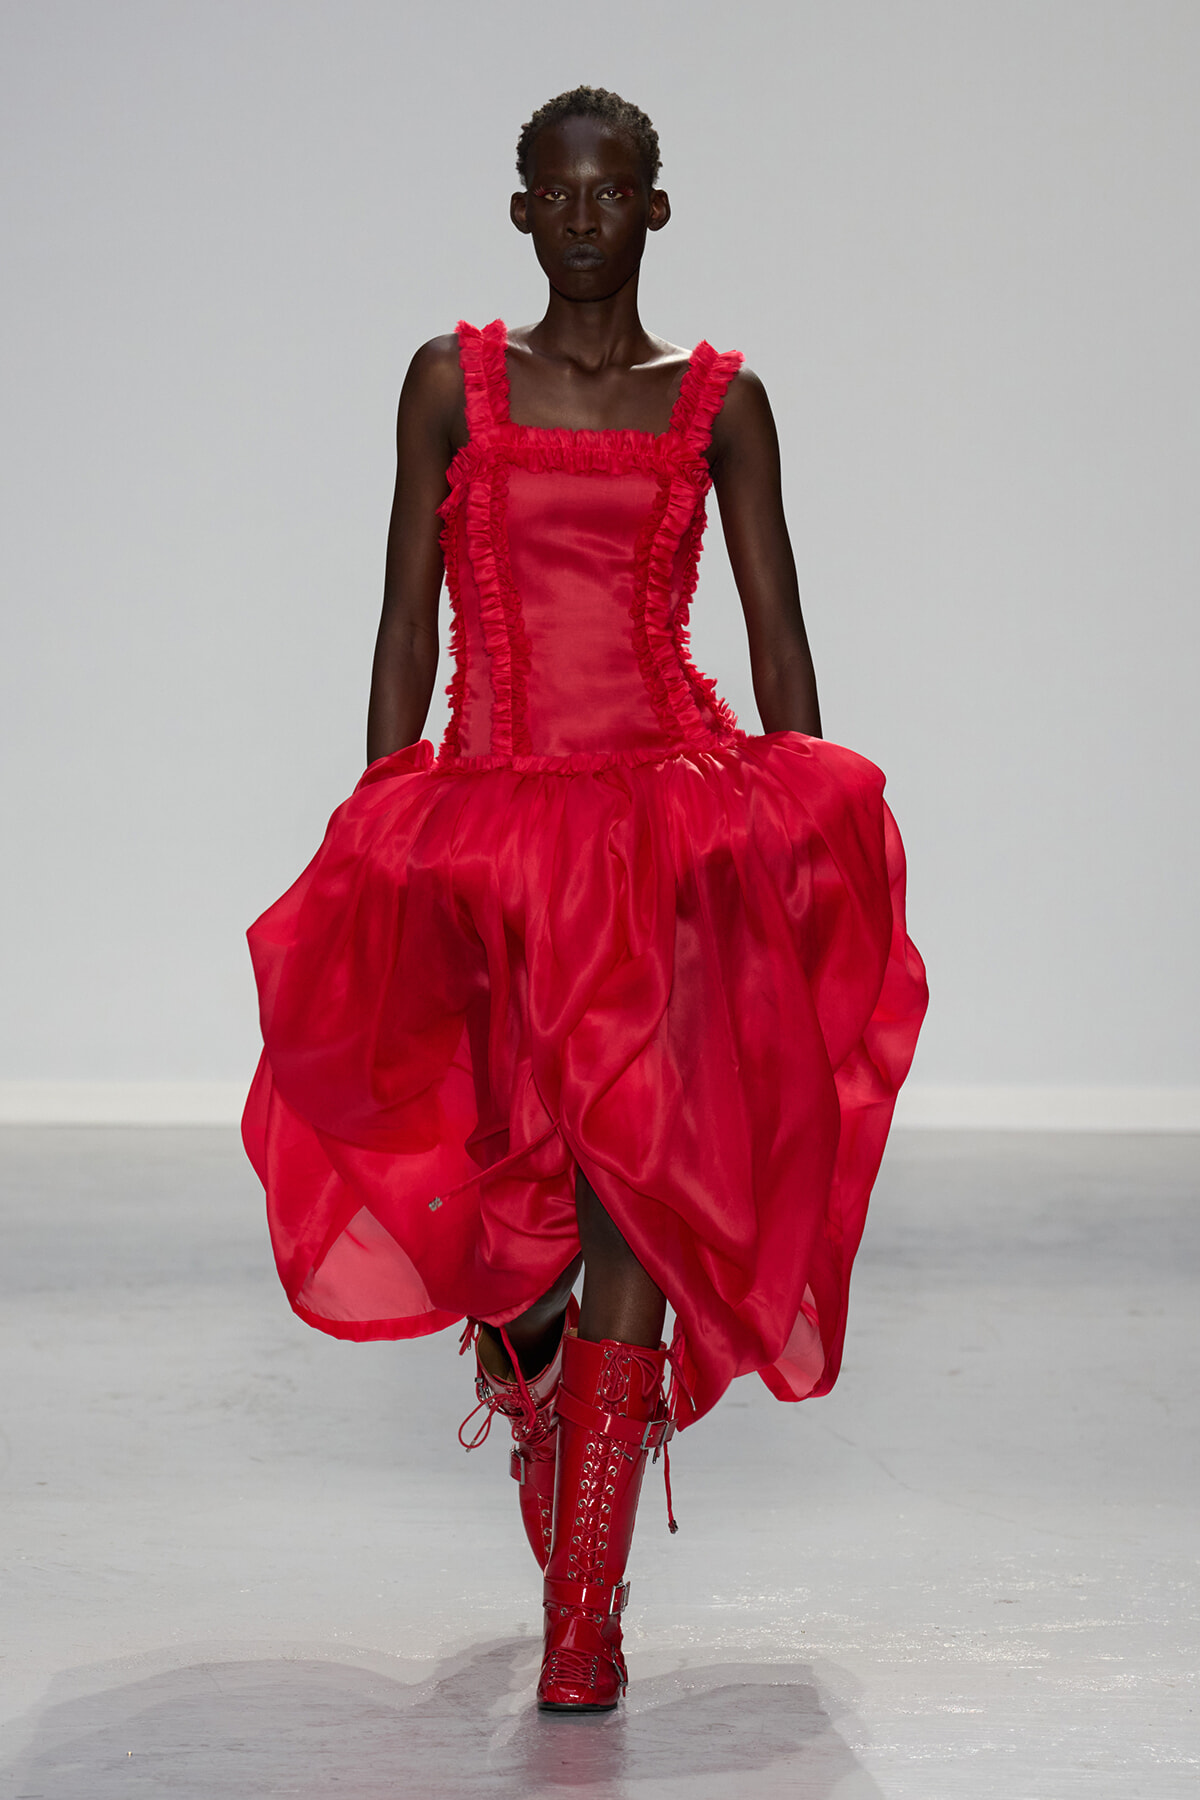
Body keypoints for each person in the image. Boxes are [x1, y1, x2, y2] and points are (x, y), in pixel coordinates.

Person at [242, 85, 928, 1715]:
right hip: (485, 822)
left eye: (615, 189)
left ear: (657, 211)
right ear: (521, 211)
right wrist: (377, 814)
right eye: (558, 189)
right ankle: (535, 1369)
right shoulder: (451, 385)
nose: (586, 214)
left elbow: (774, 629)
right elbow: (403, 618)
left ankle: (585, 1624)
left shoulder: (720, 399)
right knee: (510, 1210)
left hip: (660, 837)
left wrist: (806, 829)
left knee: (631, 1188)